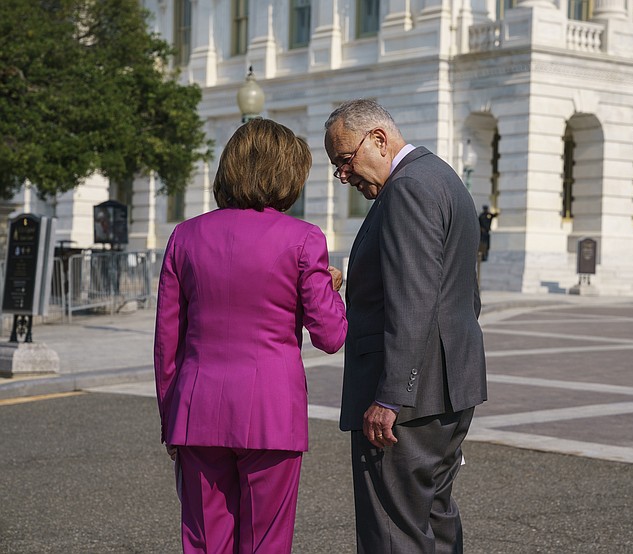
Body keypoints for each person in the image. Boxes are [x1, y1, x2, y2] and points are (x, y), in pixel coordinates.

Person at [154, 118, 347, 553]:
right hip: (271, 411)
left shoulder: (184, 236)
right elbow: (331, 335)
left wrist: (171, 421)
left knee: (205, 544)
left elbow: (168, 341)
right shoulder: (303, 239)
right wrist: (332, 290)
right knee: (266, 543)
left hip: (196, 409)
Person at [324, 99, 487, 553]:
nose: (343, 175)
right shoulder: (442, 177)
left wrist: (392, 395)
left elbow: (414, 299)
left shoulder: (407, 189)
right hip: (449, 389)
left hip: (409, 402)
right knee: (434, 518)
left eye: (344, 160)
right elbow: (462, 294)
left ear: (377, 138)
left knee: (393, 532)